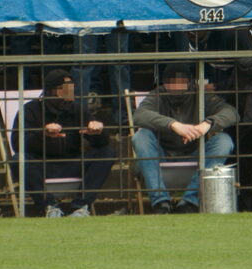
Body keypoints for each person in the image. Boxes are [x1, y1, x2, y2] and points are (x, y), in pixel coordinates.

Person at [132, 63, 238, 213]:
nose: (176, 86)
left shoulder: (201, 95)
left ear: (189, 83)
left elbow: (231, 113)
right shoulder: (157, 95)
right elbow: (139, 115)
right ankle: (161, 203)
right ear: (163, 84)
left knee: (224, 140)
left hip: (196, 155)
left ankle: (190, 202)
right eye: (171, 82)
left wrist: (207, 124)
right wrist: (174, 125)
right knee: (141, 137)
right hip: (161, 155)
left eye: (181, 82)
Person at [12, 69, 115, 217]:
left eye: (70, 88)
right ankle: (49, 206)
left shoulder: (77, 109)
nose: (69, 92)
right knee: (19, 159)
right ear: (51, 90)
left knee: (107, 153)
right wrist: (43, 135)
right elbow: (17, 144)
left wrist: (97, 133)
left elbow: (102, 143)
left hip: (72, 163)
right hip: (41, 165)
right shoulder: (30, 110)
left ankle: (80, 206)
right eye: (63, 88)